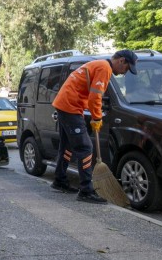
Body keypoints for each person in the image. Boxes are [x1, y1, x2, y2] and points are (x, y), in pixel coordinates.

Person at [51, 49, 138, 204]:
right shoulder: (105, 68)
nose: (125, 73)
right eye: (126, 68)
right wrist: (97, 117)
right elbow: (95, 97)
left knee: (67, 146)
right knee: (85, 147)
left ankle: (60, 180)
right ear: (122, 61)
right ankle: (86, 191)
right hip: (70, 107)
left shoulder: (100, 65)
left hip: (66, 104)